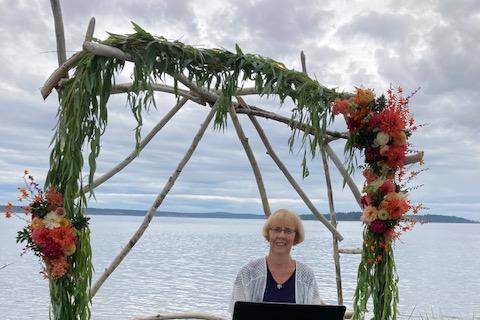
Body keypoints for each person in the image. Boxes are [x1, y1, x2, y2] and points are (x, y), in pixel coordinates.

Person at [229, 208, 323, 313]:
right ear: (268, 233)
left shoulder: (307, 275)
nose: (281, 235)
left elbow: (315, 313)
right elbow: (237, 314)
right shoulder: (248, 272)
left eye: (288, 231)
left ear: (295, 236)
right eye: (277, 229)